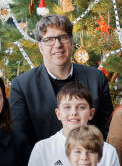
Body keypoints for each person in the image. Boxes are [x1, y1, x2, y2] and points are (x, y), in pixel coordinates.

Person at [10, 14, 112, 145]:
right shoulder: (22, 86)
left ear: (71, 41)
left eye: (62, 37)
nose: (57, 45)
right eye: (49, 40)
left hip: (89, 160)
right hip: (43, 162)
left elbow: (106, 130)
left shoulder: (96, 78)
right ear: (40, 47)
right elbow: (21, 138)